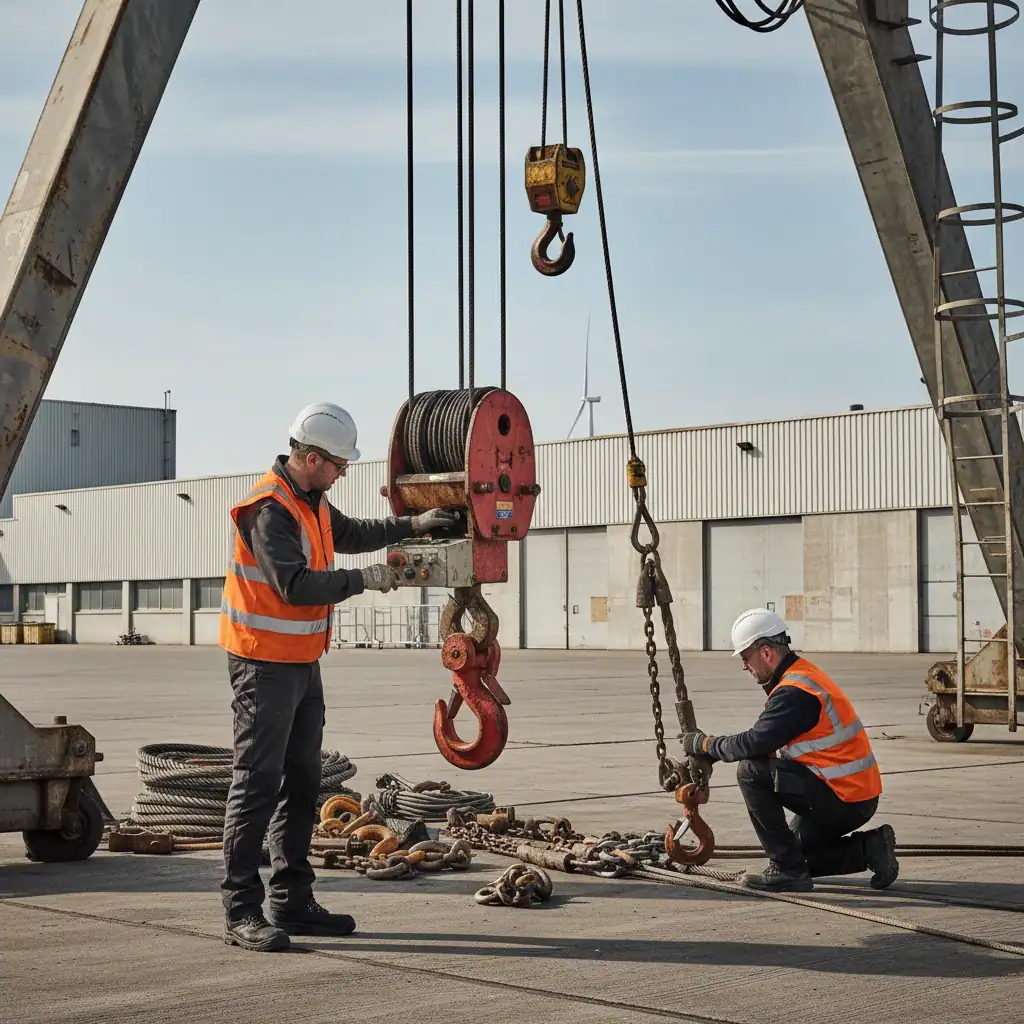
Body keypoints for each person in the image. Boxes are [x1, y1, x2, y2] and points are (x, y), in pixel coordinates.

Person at [217, 402, 458, 952]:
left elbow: (354, 531)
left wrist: (413, 525)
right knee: (256, 784)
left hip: (301, 663)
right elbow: (296, 587)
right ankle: (241, 911)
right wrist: (368, 579)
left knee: (302, 782)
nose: (343, 473)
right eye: (338, 464)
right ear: (308, 457)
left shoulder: (312, 503)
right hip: (262, 665)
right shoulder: (267, 511)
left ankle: (292, 903)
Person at [680, 608, 899, 893]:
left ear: (767, 652)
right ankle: (870, 848)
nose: (745, 667)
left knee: (750, 771)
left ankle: (786, 871)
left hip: (843, 797)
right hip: (851, 792)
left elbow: (754, 743)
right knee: (796, 855)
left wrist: (705, 745)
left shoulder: (796, 691)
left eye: (746, 658)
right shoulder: (800, 674)